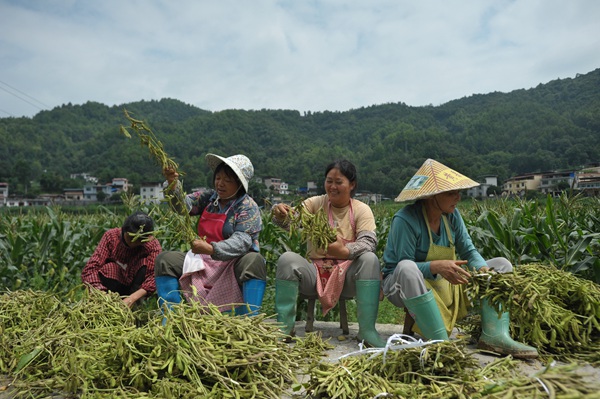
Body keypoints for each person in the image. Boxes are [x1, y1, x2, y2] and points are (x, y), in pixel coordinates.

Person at [382, 158, 538, 359]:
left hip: (445, 282)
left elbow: (469, 252)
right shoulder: (406, 220)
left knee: (501, 265)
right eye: (450, 193)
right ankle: (440, 343)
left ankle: (494, 336)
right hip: (401, 284)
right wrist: (435, 266)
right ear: (431, 196)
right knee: (406, 267)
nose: (457, 197)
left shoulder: (452, 216)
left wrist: (483, 270)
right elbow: (403, 266)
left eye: (458, 192)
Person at [272, 159, 387, 347]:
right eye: (329, 181)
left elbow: (368, 242)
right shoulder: (315, 203)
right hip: (315, 275)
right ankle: (284, 328)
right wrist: (280, 213)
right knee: (287, 259)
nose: (332, 186)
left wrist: (344, 250)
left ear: (352, 185)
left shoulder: (361, 210)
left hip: (347, 278)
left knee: (369, 258)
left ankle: (367, 331)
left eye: (339, 182)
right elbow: (291, 221)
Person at [154, 153, 266, 316]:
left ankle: (248, 316)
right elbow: (182, 208)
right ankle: (173, 316)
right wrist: (172, 184)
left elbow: (242, 241)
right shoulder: (208, 198)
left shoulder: (247, 207)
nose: (220, 184)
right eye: (218, 178)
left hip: (231, 263)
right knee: (166, 260)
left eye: (227, 180)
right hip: (203, 261)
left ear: (239, 185)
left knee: (253, 261)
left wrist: (212, 249)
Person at [81, 211, 161, 308]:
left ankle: (135, 307)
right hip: (110, 286)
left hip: (135, 288)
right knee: (109, 267)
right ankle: (104, 305)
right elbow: (90, 269)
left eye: (139, 239)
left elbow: (154, 277)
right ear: (124, 230)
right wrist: (102, 295)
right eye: (131, 237)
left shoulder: (152, 245)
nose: (134, 242)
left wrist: (132, 298)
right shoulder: (111, 237)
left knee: (145, 265)